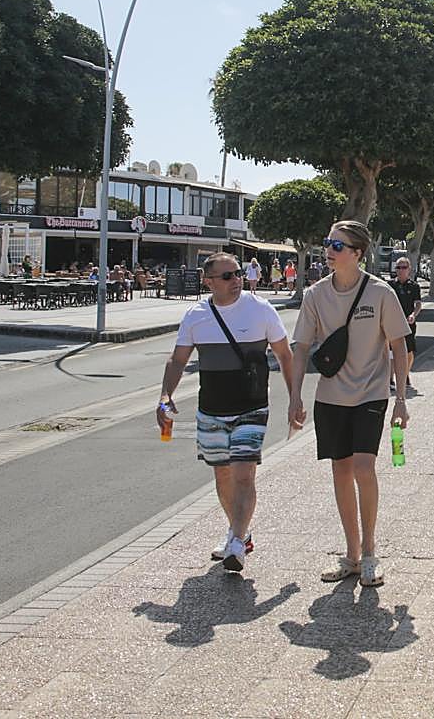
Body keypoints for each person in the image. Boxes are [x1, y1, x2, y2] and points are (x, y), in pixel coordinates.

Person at [289, 220, 411, 588]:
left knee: (362, 467)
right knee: (340, 472)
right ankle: (352, 555)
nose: (329, 250)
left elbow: (399, 347)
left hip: (371, 394)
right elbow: (301, 347)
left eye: (338, 246)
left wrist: (401, 399)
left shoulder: (380, 293)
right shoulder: (315, 295)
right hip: (331, 397)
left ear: (358, 253)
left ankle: (371, 553)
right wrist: (294, 394)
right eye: (328, 243)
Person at [157, 252, 294, 572]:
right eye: (228, 276)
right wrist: (165, 395)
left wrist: (295, 398)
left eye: (238, 274)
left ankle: (235, 541)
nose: (237, 280)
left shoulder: (260, 309)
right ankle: (238, 532)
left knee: (244, 474)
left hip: (252, 406)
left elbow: (285, 355)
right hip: (212, 409)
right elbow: (178, 360)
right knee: (223, 475)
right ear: (209, 282)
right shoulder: (196, 316)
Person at [388, 257, 423, 390]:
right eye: (398, 267)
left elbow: (418, 304)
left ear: (409, 269)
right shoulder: (390, 285)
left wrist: (413, 314)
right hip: (392, 322)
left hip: (408, 323)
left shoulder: (414, 286)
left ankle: (405, 373)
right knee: (391, 351)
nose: (400, 270)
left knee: (409, 351)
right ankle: (391, 379)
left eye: (403, 268)